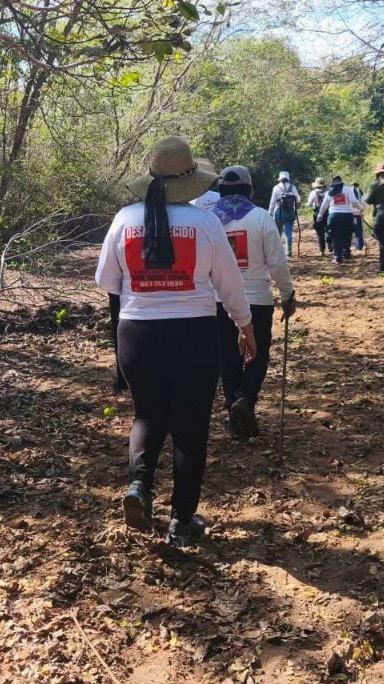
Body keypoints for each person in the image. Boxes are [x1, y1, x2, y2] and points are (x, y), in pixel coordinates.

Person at [95, 136, 256, 548]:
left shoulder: (124, 219)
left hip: (137, 334)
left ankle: (139, 486)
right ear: (191, 181)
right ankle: (181, 521)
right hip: (193, 334)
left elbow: (106, 281)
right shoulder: (206, 223)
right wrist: (245, 325)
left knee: (147, 414)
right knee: (190, 426)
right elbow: (230, 285)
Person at [212, 165, 296, 439]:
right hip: (257, 299)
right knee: (257, 354)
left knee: (227, 356)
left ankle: (234, 409)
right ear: (249, 189)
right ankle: (245, 398)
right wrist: (287, 294)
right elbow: (277, 263)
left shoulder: (208, 221)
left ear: (220, 190)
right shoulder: (261, 217)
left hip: (219, 300)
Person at [316, 175, 361, 265]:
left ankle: (337, 257)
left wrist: (320, 215)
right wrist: (360, 208)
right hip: (347, 216)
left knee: (335, 237)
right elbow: (354, 201)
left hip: (333, 216)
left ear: (333, 183)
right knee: (347, 234)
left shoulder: (329, 192)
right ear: (342, 182)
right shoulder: (348, 189)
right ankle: (346, 253)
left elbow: (324, 205)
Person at [267, 171, 301, 256]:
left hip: (278, 212)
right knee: (288, 232)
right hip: (290, 212)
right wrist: (296, 206)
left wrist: (270, 213)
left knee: (278, 233)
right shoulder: (293, 187)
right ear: (288, 178)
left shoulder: (276, 188)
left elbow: (272, 202)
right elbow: (298, 199)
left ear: (280, 178)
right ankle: (288, 252)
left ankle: (278, 252)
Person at [306, 177, 328, 255]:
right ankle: (330, 244)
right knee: (328, 229)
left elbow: (309, 204)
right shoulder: (328, 192)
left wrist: (307, 205)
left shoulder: (313, 193)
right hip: (327, 212)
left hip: (317, 213)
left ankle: (322, 249)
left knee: (320, 232)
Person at [351, 183, 368, 252]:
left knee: (348, 231)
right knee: (358, 231)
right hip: (357, 214)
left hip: (348, 214)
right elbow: (364, 201)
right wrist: (363, 209)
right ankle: (359, 246)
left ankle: (347, 247)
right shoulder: (360, 191)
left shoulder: (349, 191)